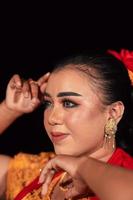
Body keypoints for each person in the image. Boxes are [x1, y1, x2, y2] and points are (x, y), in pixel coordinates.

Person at [1, 49, 133, 200]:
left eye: (68, 103)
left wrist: (84, 167)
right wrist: (8, 110)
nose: (52, 118)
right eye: (48, 103)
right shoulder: (45, 172)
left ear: (114, 112)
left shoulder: (126, 176)